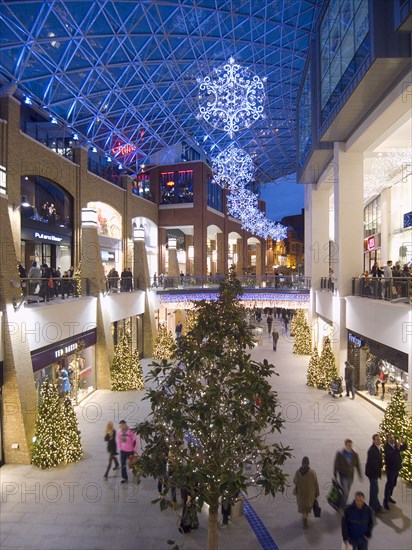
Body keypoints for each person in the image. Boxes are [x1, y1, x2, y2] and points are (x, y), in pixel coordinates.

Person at [334, 439, 362, 506]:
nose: (350, 447)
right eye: (349, 445)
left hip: (350, 475)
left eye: (351, 445)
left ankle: (342, 502)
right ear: (345, 445)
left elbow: (357, 465)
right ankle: (343, 505)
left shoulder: (355, 454)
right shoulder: (340, 454)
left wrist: (360, 475)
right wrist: (335, 473)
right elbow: (336, 464)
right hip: (343, 475)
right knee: (345, 491)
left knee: (346, 491)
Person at [293, 456, 319, 529]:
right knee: (307, 506)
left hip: (301, 493)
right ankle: (306, 517)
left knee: (303, 508)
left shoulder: (298, 472)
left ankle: (304, 519)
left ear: (302, 463)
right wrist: (317, 493)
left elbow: (295, 481)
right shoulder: (312, 472)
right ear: (308, 463)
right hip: (310, 494)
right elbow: (316, 483)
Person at [383, 433, 407, 509]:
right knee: (389, 484)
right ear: (387, 439)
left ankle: (389, 496)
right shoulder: (386, 447)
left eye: (392, 437)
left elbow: (403, 448)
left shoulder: (395, 444)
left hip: (396, 468)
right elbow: (392, 455)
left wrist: (404, 442)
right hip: (391, 469)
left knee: (393, 484)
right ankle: (385, 501)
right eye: (390, 438)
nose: (392, 439)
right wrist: (398, 445)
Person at [365, 434, 383, 513]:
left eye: (379, 439)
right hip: (372, 473)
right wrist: (378, 471)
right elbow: (373, 464)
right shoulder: (372, 450)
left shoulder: (378, 448)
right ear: (373, 440)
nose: (379, 440)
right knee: (375, 490)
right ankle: (377, 508)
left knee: (373, 490)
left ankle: (371, 506)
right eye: (377, 439)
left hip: (374, 473)